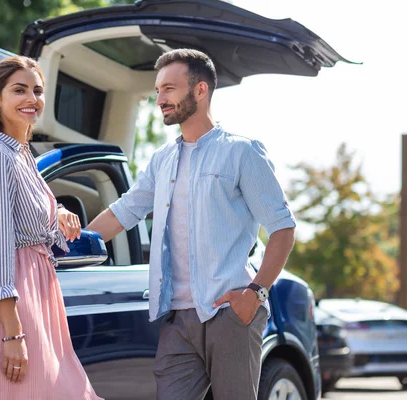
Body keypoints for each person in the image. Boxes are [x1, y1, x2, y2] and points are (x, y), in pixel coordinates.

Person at [86, 49, 296, 400]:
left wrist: (255, 293)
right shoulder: (161, 161)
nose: (160, 99)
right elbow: (122, 213)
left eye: (169, 89)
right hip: (177, 320)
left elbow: (282, 228)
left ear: (200, 90)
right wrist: (66, 244)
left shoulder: (242, 153)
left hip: (230, 312)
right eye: (157, 91)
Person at [0, 56, 102, 400]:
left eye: (37, 91)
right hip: (12, 299)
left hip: (37, 290)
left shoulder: (21, 154)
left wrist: (60, 212)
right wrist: (12, 335)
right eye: (19, 90)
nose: (31, 99)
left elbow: (28, 217)